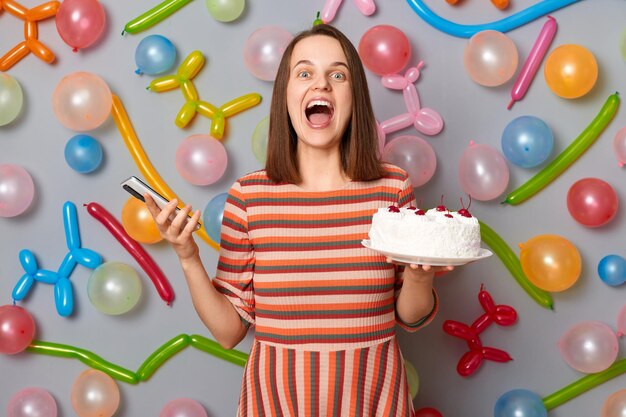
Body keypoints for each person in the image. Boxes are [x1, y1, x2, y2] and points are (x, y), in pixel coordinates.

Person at [145, 23, 453, 417]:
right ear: (286, 96)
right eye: (304, 73)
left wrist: (421, 274)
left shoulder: (391, 188)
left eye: (337, 75)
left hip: (373, 403)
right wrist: (187, 256)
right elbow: (228, 332)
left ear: (353, 96)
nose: (321, 85)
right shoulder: (249, 197)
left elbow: (411, 316)